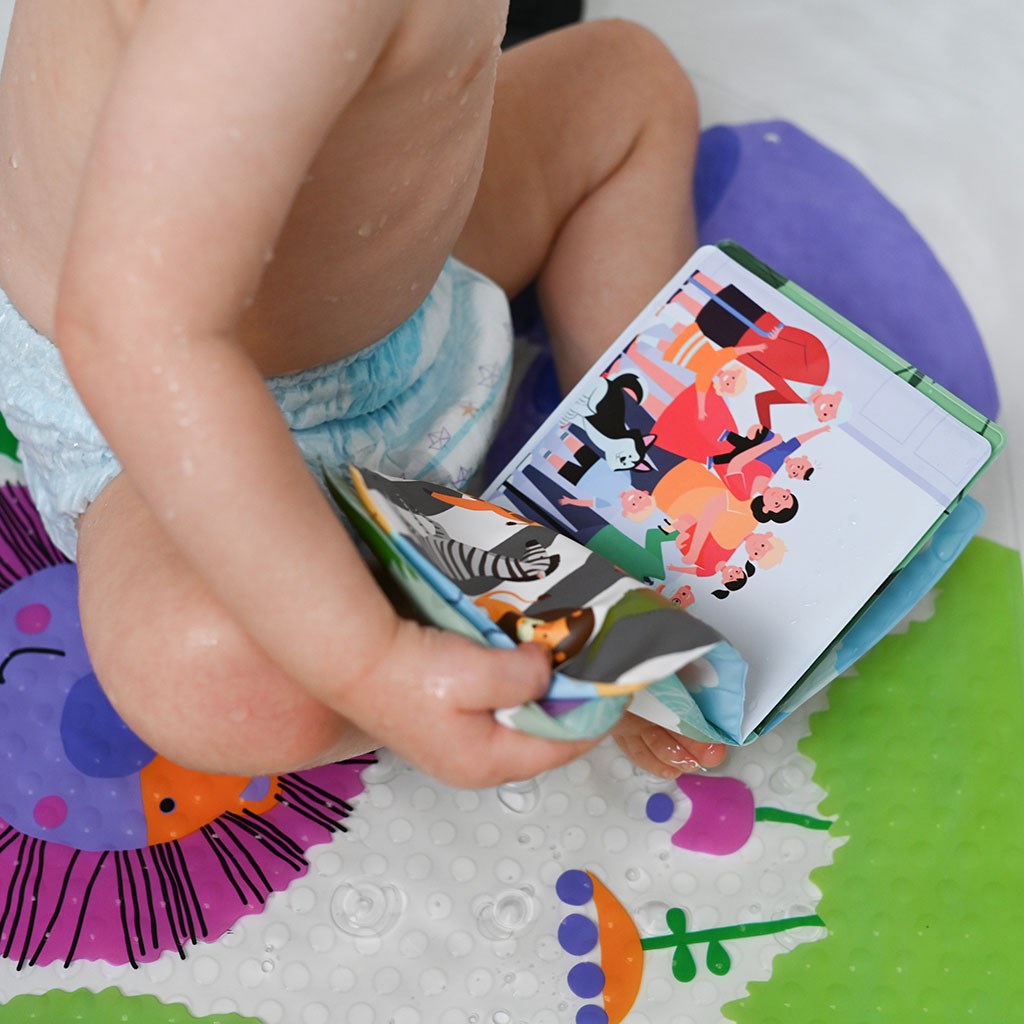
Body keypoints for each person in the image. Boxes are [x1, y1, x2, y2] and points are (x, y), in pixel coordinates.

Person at [0, 3, 725, 786]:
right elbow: (136, 335)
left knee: (629, 86)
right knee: (220, 675)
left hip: (406, 286)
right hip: (167, 404)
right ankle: (509, 652)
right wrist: (371, 663)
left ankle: (632, 492)